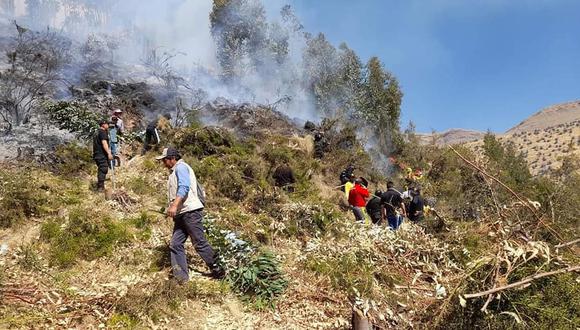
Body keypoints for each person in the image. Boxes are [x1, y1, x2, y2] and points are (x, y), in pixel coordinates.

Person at [157, 147, 225, 281]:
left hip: (191, 212)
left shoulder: (181, 167)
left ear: (172, 159)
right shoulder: (173, 171)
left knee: (199, 242)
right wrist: (173, 208)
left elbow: (184, 187)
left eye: (164, 160)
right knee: (175, 244)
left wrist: (175, 205)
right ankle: (181, 279)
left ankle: (220, 271)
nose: (163, 163)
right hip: (182, 213)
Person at [93, 119, 113, 191]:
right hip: (101, 154)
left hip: (96, 154)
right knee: (103, 168)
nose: (108, 125)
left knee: (101, 169)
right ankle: (100, 187)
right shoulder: (102, 132)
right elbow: (104, 143)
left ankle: (100, 186)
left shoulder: (97, 132)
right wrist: (109, 153)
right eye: (107, 124)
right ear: (103, 124)